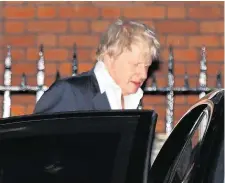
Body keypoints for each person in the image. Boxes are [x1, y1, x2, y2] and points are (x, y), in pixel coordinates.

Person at [33, 18, 160, 114]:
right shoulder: (69, 93)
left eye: (147, 66)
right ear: (109, 56)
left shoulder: (131, 101)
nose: (143, 74)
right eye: (135, 64)